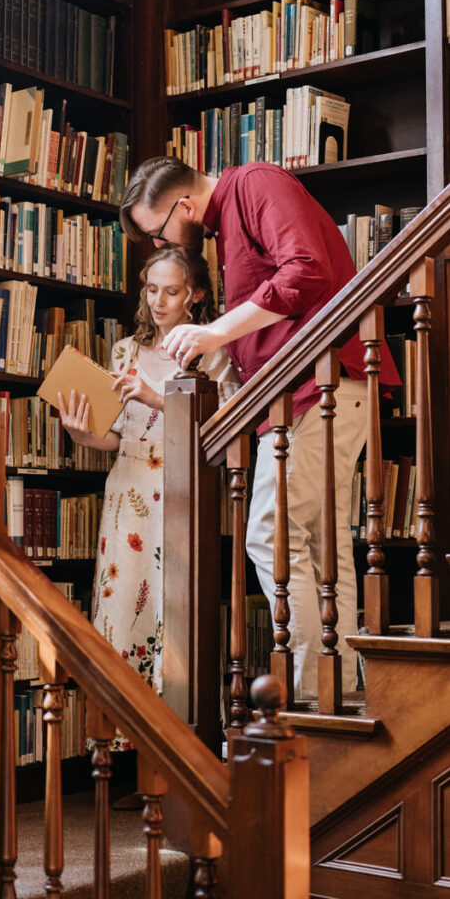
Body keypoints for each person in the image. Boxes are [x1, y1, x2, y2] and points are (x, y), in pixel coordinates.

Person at [118, 156, 400, 699]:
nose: (162, 245)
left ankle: (310, 687)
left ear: (184, 205)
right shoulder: (228, 219)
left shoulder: (254, 183)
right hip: (303, 394)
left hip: (321, 387)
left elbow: (307, 269)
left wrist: (216, 332)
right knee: (322, 541)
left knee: (270, 533)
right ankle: (328, 684)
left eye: (158, 233)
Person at [57, 247, 238, 737]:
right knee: (120, 611)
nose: (158, 301)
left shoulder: (213, 352)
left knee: (173, 611)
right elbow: (117, 437)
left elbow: (223, 431)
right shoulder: (124, 351)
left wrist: (156, 396)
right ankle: (126, 750)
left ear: (195, 296)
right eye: (151, 289)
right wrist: (80, 434)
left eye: (172, 291)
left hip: (181, 490)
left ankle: (183, 745)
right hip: (126, 491)